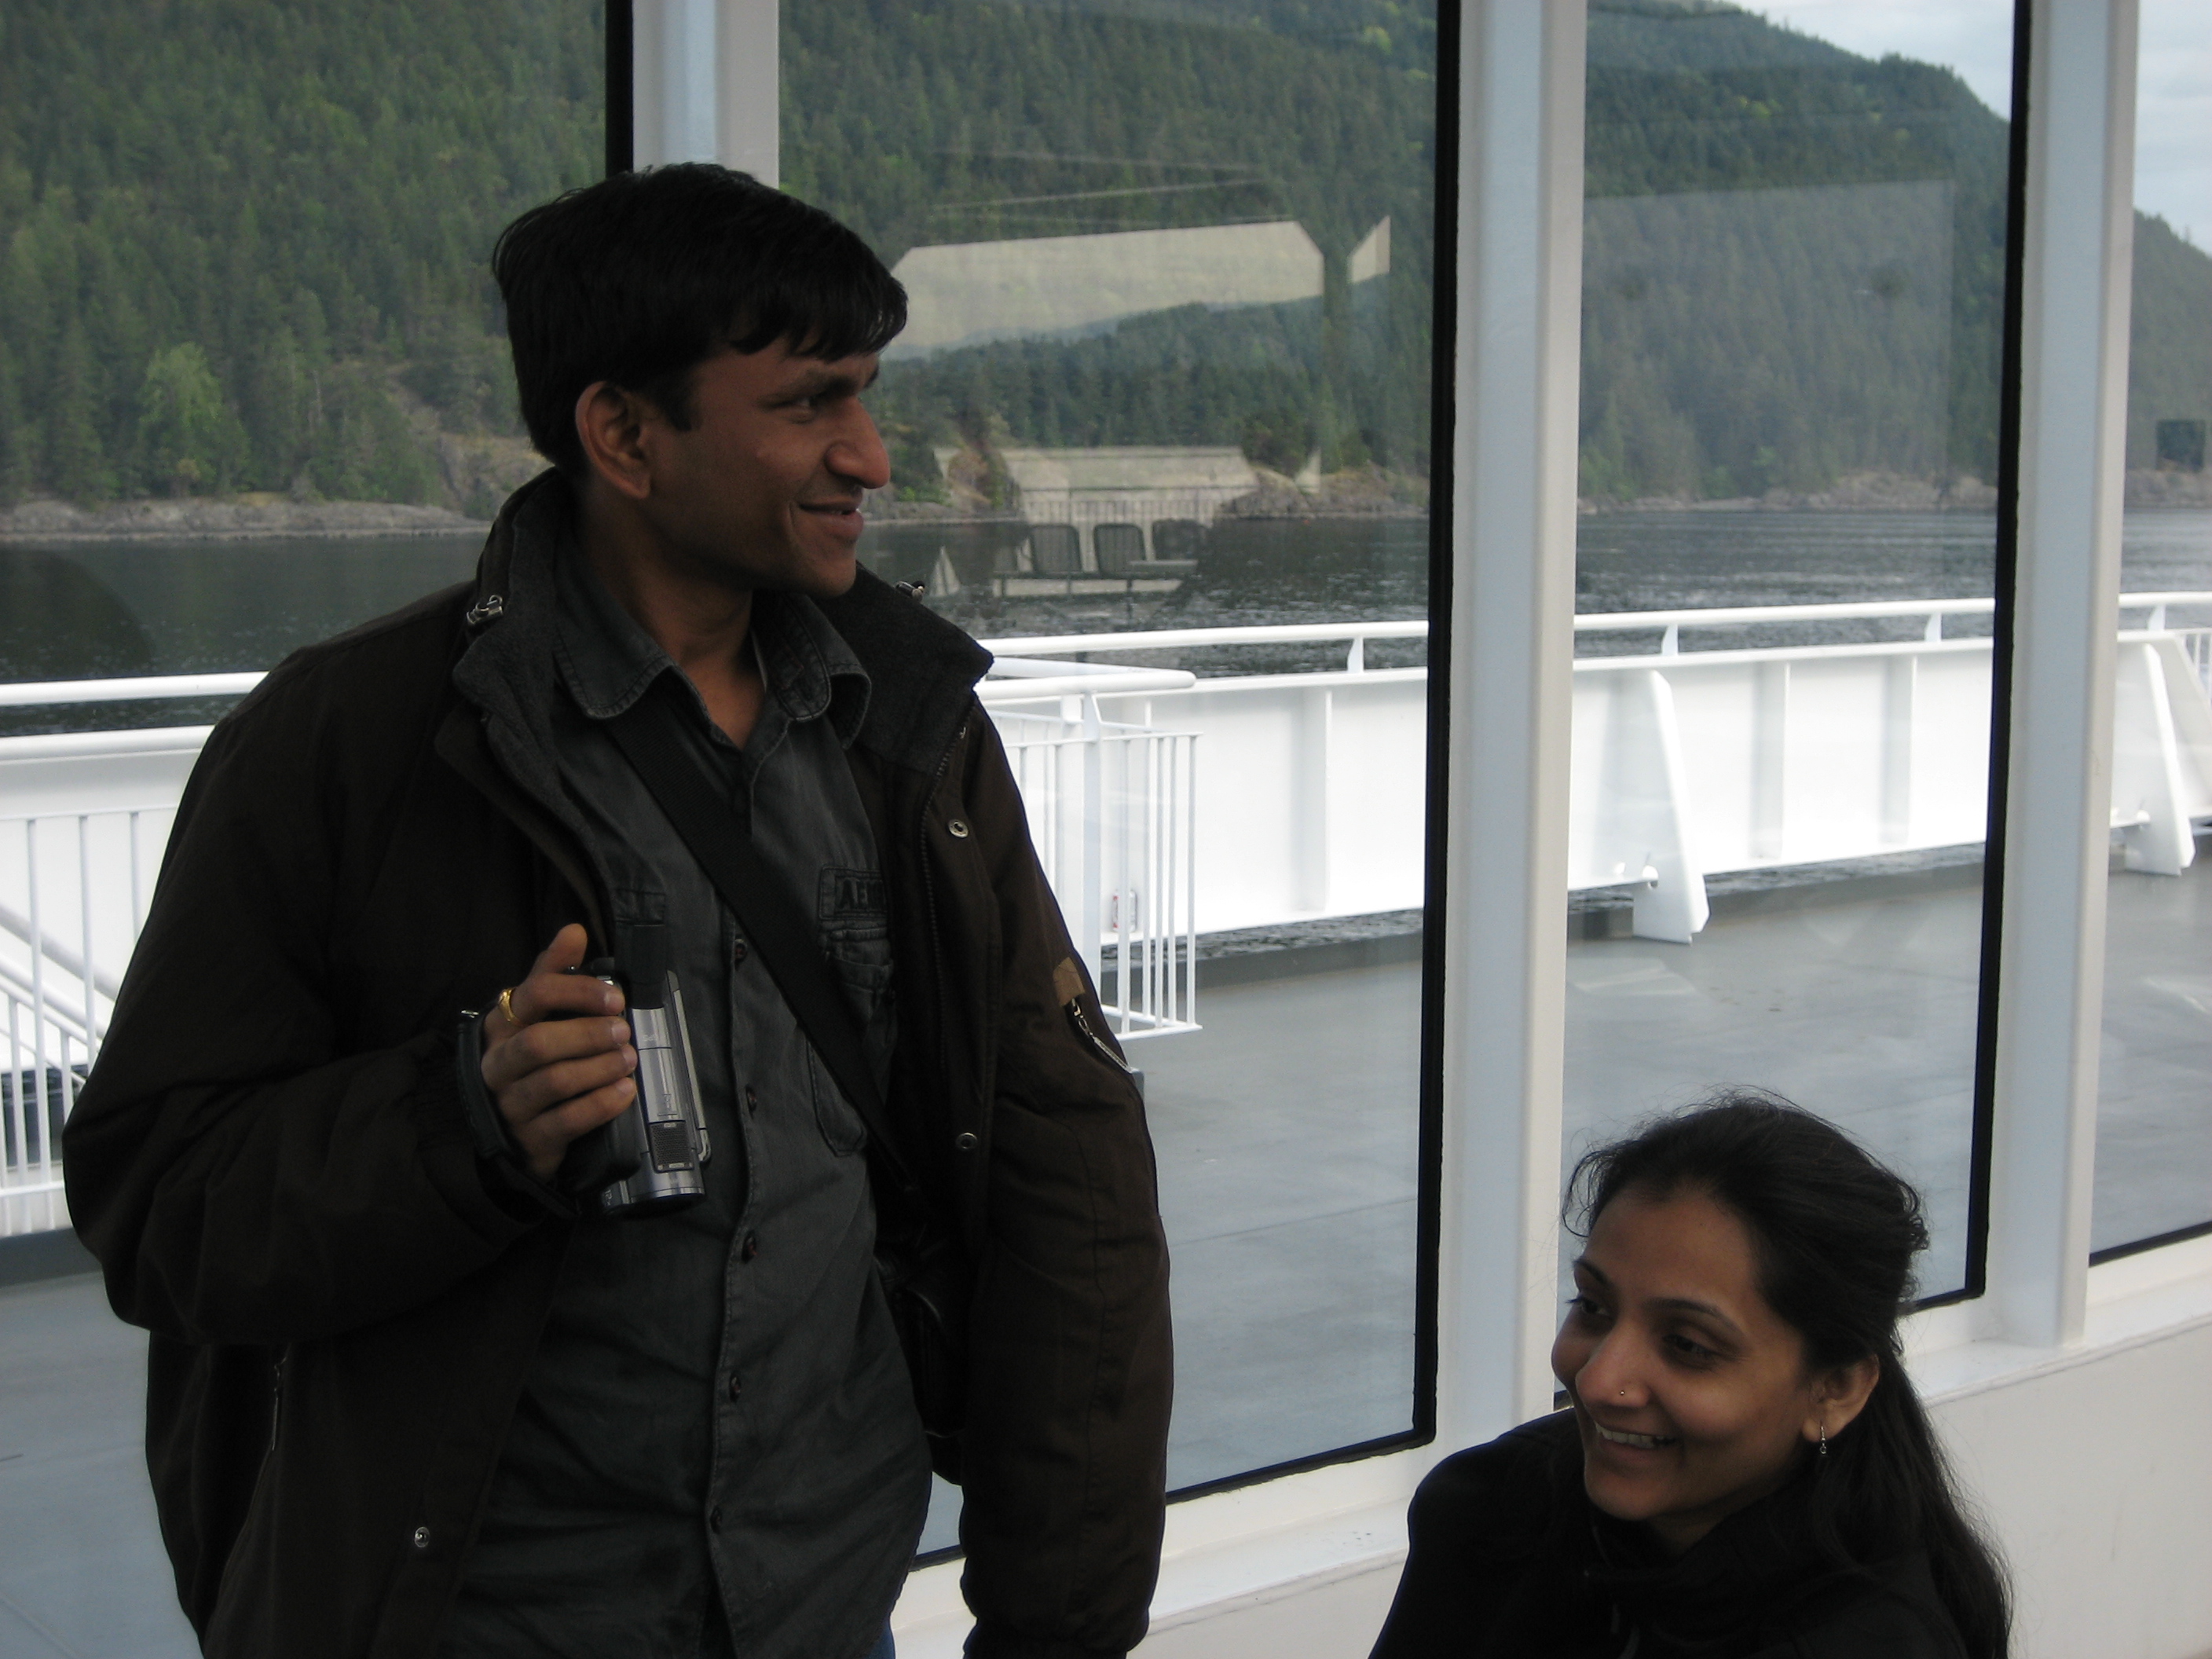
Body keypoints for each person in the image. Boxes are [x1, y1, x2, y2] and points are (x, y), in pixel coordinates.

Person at [62, 164, 1172, 1659]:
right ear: (625, 435)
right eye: (810, 403)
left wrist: (1062, 1626)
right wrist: (461, 1120)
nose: (870, 457)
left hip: (821, 1605)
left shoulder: (914, 740)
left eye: (867, 395)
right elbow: (160, 1205)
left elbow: (1068, 1186)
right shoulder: (343, 744)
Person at [1369, 1093, 2009, 1659]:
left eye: (1687, 1345)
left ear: (1835, 1389)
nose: (1598, 1382)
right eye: (1593, 1307)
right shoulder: (1492, 1510)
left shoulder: (1863, 1640)